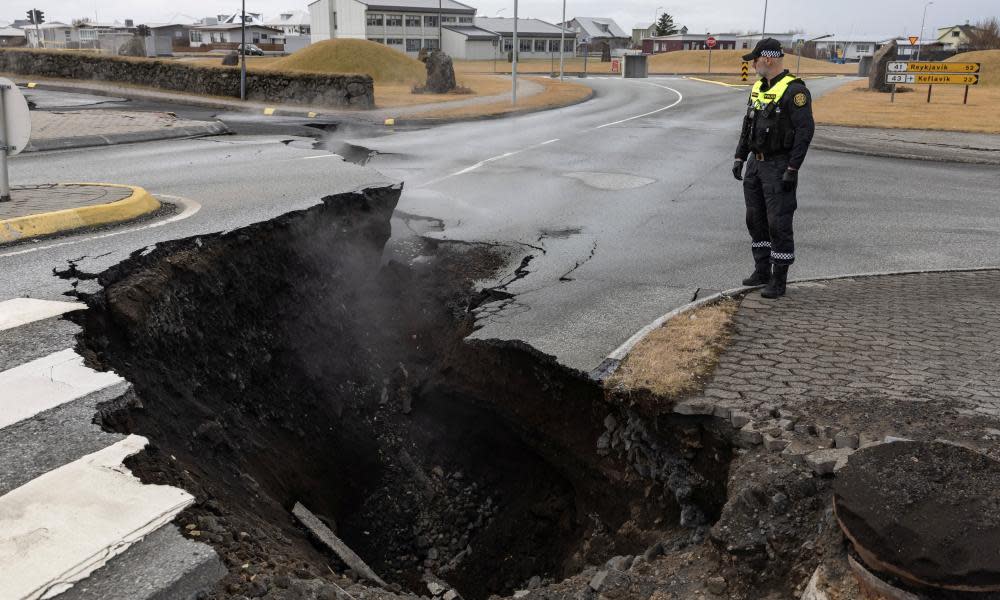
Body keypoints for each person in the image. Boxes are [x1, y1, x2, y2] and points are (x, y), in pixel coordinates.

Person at [732, 38, 815, 299]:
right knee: (754, 219)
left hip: (779, 165)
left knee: (777, 223)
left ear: (767, 59)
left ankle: (779, 280)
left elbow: (804, 132)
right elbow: (749, 124)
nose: (753, 65)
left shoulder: (795, 91)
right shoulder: (758, 87)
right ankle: (761, 270)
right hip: (756, 164)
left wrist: (793, 168)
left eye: (755, 60)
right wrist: (740, 157)